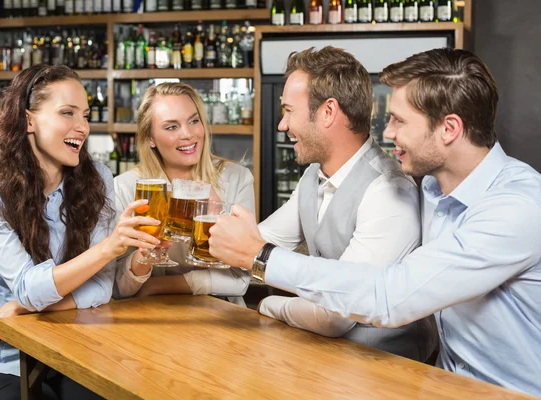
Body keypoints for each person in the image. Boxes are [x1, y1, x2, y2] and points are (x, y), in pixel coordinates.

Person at [209, 48, 541, 396]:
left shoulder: (517, 208)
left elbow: (388, 295)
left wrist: (262, 258)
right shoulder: (432, 188)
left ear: (449, 128)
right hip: (447, 384)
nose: (387, 132)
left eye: (399, 120)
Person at [0, 65, 160, 400]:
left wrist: (16, 310)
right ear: (28, 121)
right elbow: (26, 287)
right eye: (67, 113)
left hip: (69, 351)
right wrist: (109, 248)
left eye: (85, 114)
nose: (81, 127)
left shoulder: (98, 179)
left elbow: (100, 287)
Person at [112, 82, 254, 305]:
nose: (188, 134)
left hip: (223, 318)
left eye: (193, 121)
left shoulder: (237, 179)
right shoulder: (125, 187)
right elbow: (117, 288)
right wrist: (142, 258)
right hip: (149, 318)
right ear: (150, 138)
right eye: (171, 127)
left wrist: (159, 285)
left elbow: (241, 278)